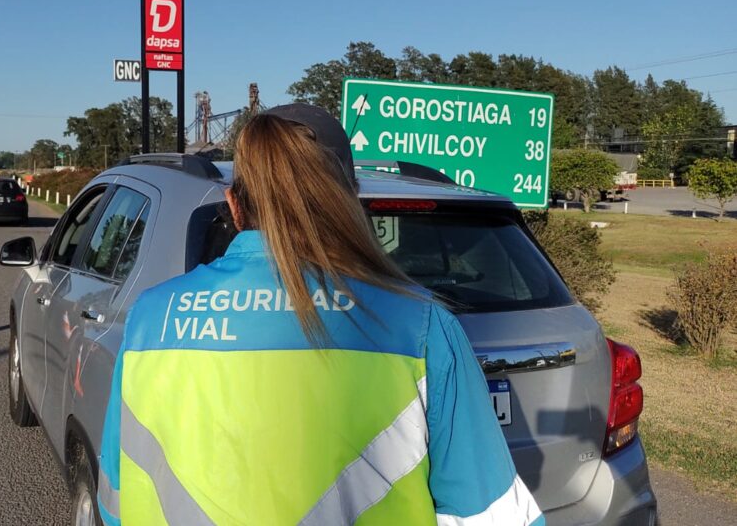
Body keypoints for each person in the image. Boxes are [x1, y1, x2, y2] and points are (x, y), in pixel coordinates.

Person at [97, 103, 543, 525]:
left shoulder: (149, 318)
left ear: (234, 206)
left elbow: (116, 498)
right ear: (351, 202)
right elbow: (491, 515)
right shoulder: (419, 324)